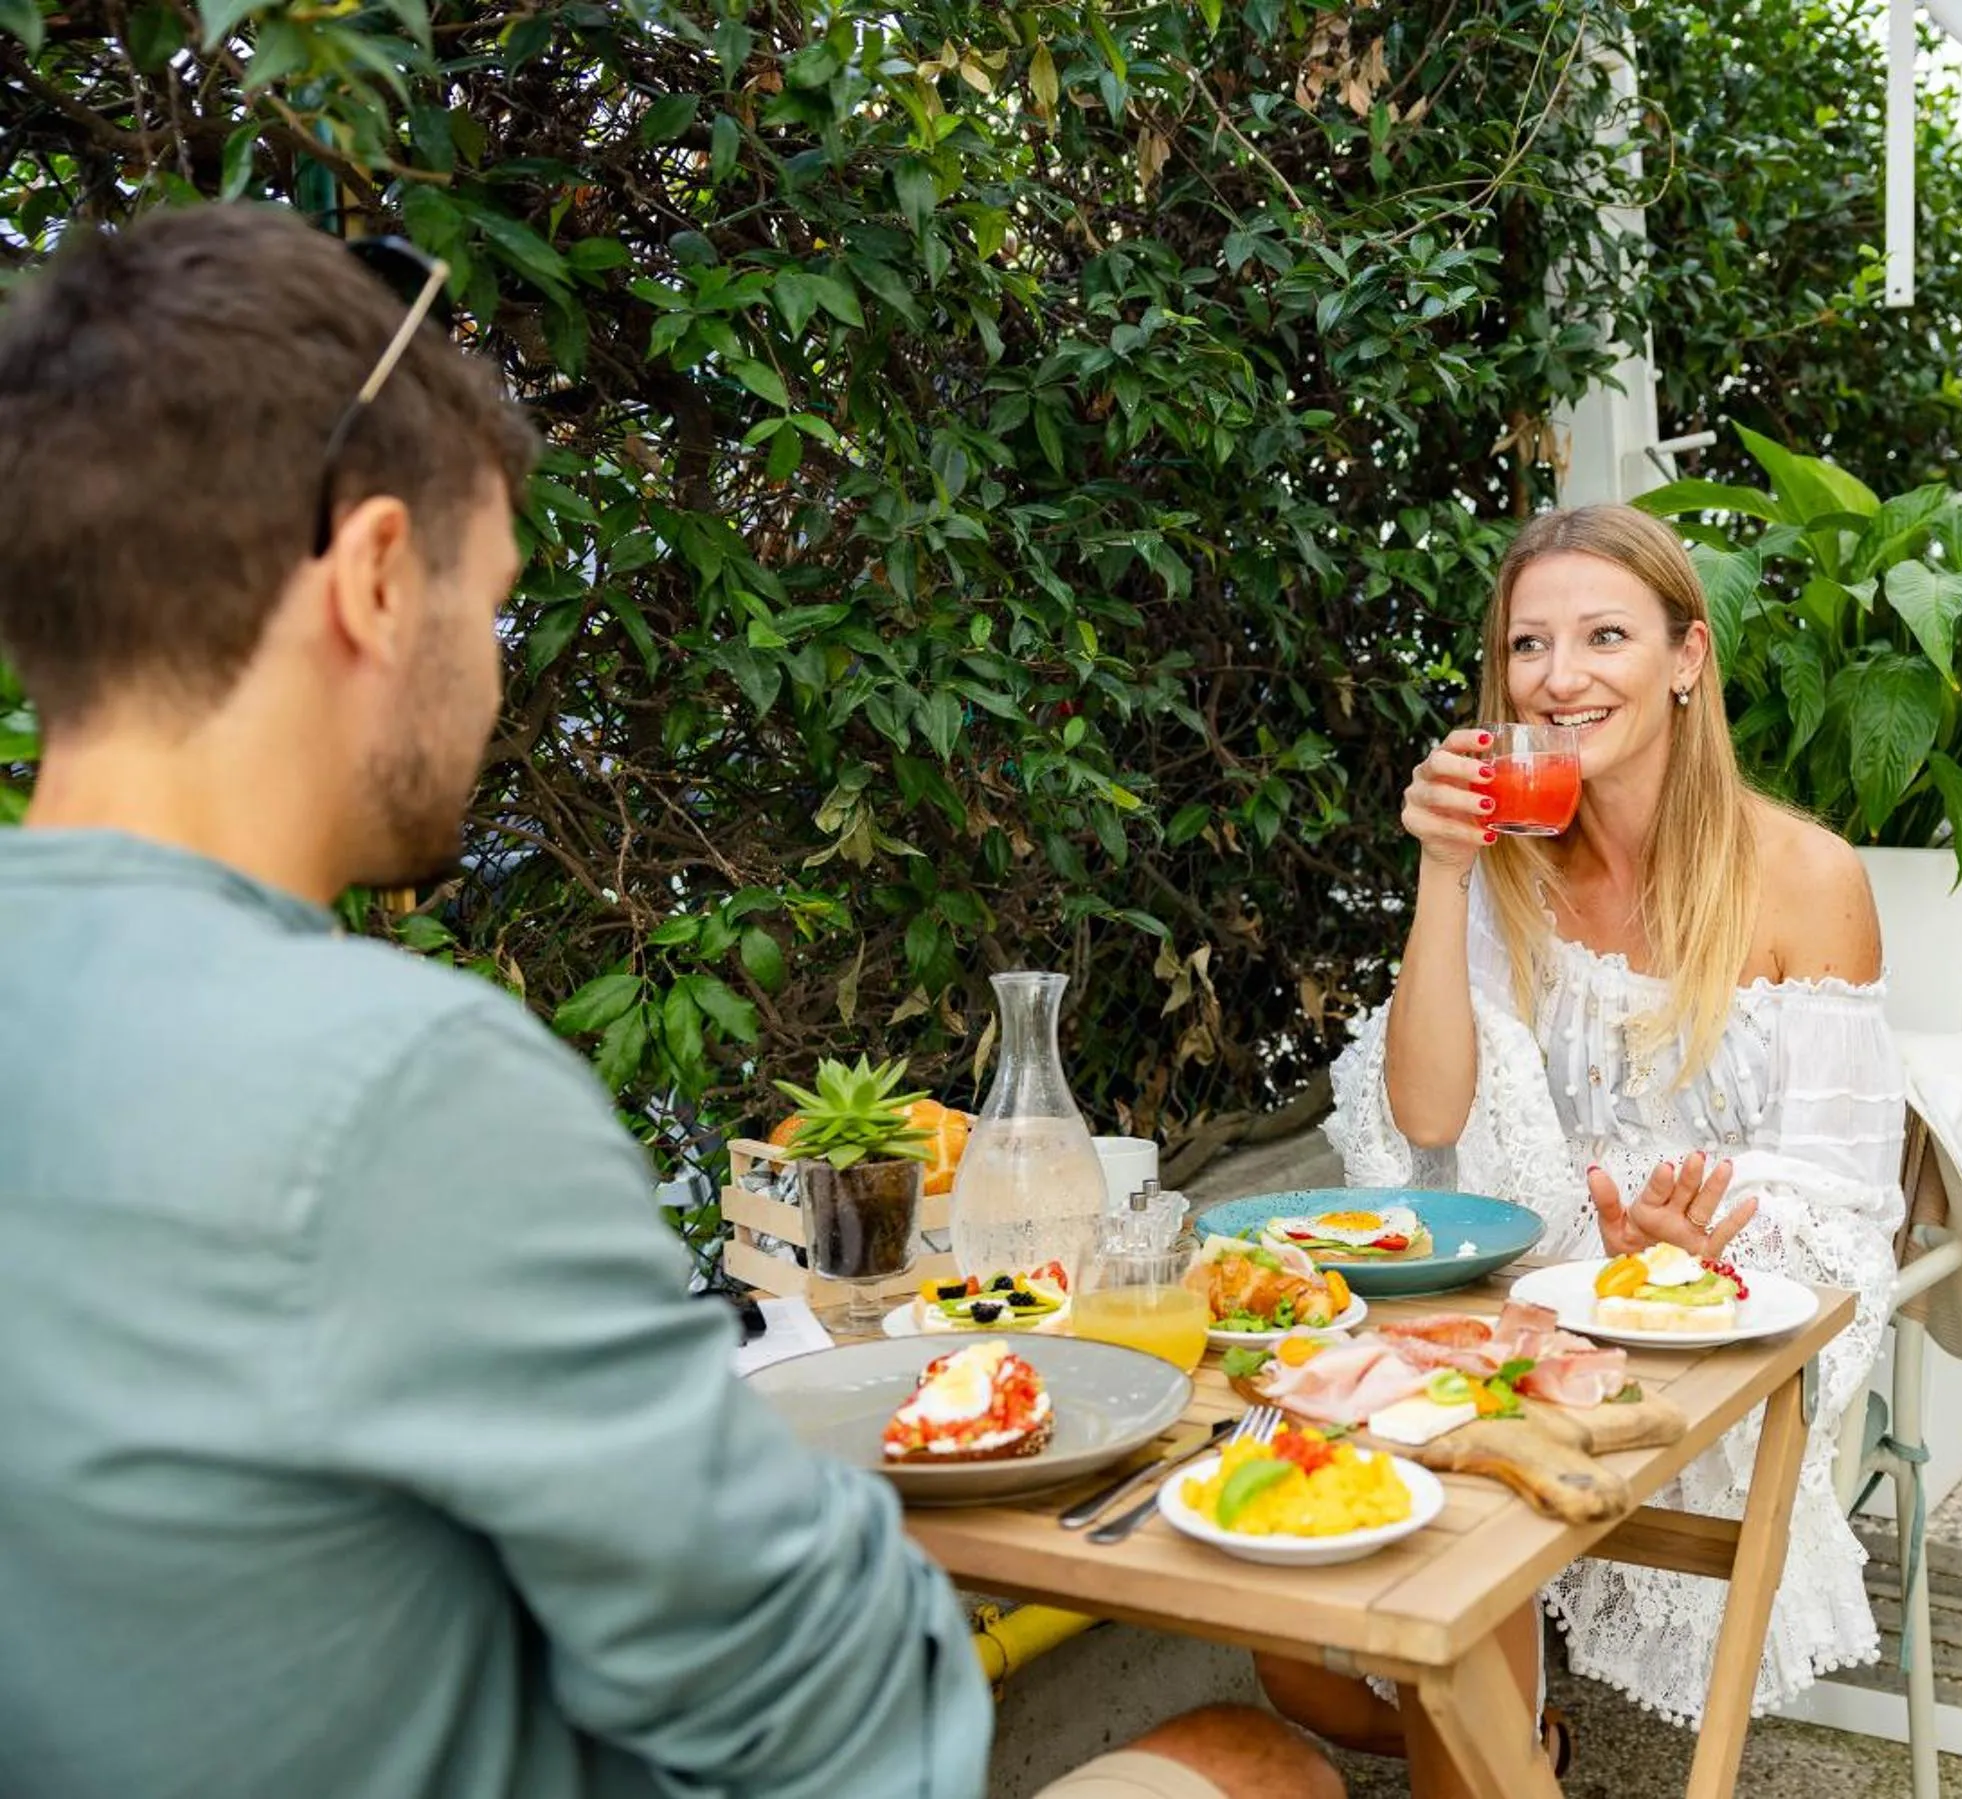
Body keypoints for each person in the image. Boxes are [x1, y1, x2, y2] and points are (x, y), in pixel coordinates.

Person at [0, 203, 1337, 1799]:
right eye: (486, 604)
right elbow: (843, 1720)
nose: (493, 677)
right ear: (370, 576)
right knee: (1255, 1761)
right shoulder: (395, 1088)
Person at [1265, 503, 1908, 1770]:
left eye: (1602, 635)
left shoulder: (1804, 876)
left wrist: (1675, 1260)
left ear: (1685, 657)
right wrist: (1442, 874)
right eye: (1525, 646)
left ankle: (1501, 1749)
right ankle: (1513, 1741)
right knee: (1289, 1635)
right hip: (1523, 1288)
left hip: (1721, 1318)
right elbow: (1432, 1118)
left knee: (1458, 1534)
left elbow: (1842, 1204)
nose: (1558, 677)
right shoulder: (1504, 865)